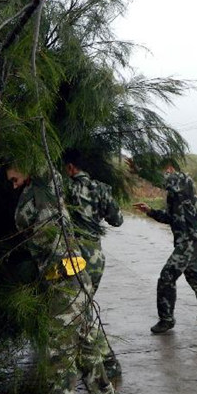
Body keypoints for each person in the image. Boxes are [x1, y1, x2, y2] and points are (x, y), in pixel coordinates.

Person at [6, 165, 121, 394]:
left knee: (59, 356)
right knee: (84, 343)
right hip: (73, 278)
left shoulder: (48, 182)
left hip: (66, 282)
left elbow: (34, 147)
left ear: (25, 162)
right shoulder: (39, 191)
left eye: (12, 176)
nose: (12, 184)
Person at [133, 160, 197, 333]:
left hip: (190, 241)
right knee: (194, 276)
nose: (165, 176)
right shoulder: (176, 195)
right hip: (193, 240)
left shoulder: (184, 180)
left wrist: (141, 170)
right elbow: (170, 218)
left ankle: (166, 320)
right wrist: (150, 211)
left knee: (167, 276)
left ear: (170, 168)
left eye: (165, 171)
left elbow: (165, 179)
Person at [62, 148, 124, 378]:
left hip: (76, 259)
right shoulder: (101, 188)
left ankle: (107, 363)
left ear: (70, 168)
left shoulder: (64, 189)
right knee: (83, 310)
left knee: (81, 313)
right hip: (97, 258)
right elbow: (117, 220)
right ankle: (105, 362)